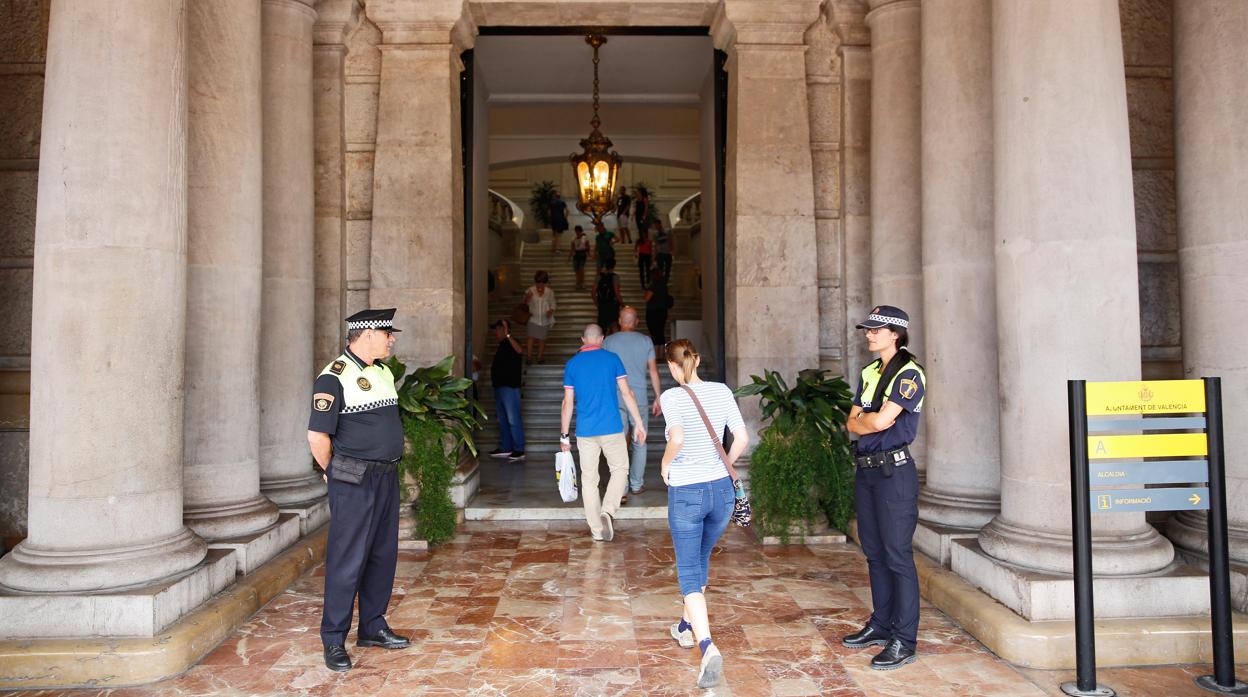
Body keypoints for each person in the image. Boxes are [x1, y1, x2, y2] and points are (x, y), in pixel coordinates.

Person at [308, 308, 411, 673]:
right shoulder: (333, 376)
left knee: (382, 554)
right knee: (347, 559)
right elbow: (318, 435)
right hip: (353, 479)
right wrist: (330, 471)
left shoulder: (383, 372)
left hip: (386, 476)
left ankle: (372, 626)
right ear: (367, 334)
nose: (392, 339)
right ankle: (333, 639)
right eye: (387, 334)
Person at [658, 339, 749, 689]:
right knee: (700, 558)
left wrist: (666, 464)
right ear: (696, 358)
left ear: (671, 365)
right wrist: (724, 463)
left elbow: (677, 437)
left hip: (688, 492)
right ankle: (684, 627)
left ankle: (707, 645)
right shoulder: (722, 391)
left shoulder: (672, 397)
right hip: (721, 491)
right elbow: (741, 438)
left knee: (688, 570)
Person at [840, 305, 926, 671]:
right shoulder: (870, 371)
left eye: (876, 329)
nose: (869, 333)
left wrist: (867, 419)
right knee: (874, 553)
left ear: (896, 334)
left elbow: (880, 423)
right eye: (868, 328)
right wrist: (867, 420)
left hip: (894, 474)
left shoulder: (910, 373)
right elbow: (853, 422)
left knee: (897, 555)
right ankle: (881, 624)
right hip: (868, 472)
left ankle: (904, 640)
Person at [560, 324, 647, 541]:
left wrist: (564, 435)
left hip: (585, 430)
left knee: (589, 479)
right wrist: (638, 422)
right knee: (620, 470)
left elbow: (567, 403)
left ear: (583, 340)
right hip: (611, 427)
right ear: (602, 339)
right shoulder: (612, 359)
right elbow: (627, 393)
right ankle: (608, 510)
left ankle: (597, 531)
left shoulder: (572, 364)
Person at [603, 306, 663, 501]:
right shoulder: (646, 341)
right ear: (636, 322)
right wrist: (658, 396)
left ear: (620, 321)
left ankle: (621, 489)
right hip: (639, 398)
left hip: (615, 397)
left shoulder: (608, 341)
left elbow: (603, 372)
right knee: (640, 441)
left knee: (618, 442)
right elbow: (653, 371)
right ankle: (636, 484)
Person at [487, 319, 525, 461]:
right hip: (499, 387)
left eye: (498, 329)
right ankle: (506, 447)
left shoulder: (512, 342)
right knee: (502, 420)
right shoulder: (501, 346)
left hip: (510, 387)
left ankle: (519, 449)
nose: (495, 333)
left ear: (505, 330)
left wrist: (508, 335)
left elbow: (520, 350)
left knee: (513, 419)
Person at [523, 270, 556, 364]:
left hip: (544, 320)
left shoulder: (549, 292)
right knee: (530, 338)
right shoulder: (530, 290)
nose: (540, 285)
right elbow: (524, 303)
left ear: (545, 282)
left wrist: (551, 310)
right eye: (538, 282)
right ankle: (529, 357)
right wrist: (527, 298)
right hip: (532, 319)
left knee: (542, 339)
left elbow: (553, 303)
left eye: (542, 282)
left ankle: (540, 357)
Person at [593, 258, 622, 334]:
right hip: (613, 305)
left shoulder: (599, 277)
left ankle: (602, 344)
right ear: (613, 266)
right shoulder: (615, 277)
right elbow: (617, 292)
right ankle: (613, 343)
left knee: (602, 327)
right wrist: (622, 304)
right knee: (614, 325)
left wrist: (597, 303)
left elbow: (593, 292)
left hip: (602, 305)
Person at [645, 268, 673, 346]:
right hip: (662, 311)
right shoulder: (664, 285)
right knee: (660, 332)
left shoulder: (653, 286)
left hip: (653, 312)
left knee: (654, 333)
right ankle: (661, 353)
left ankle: (656, 353)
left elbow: (647, 298)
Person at [569, 225, 591, 291]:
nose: (577, 232)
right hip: (576, 254)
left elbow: (588, 246)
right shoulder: (573, 238)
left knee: (581, 269)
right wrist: (569, 256)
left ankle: (582, 283)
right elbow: (572, 248)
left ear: (581, 231)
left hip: (582, 254)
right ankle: (578, 283)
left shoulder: (585, 237)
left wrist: (589, 254)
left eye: (578, 231)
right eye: (576, 231)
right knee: (576, 270)